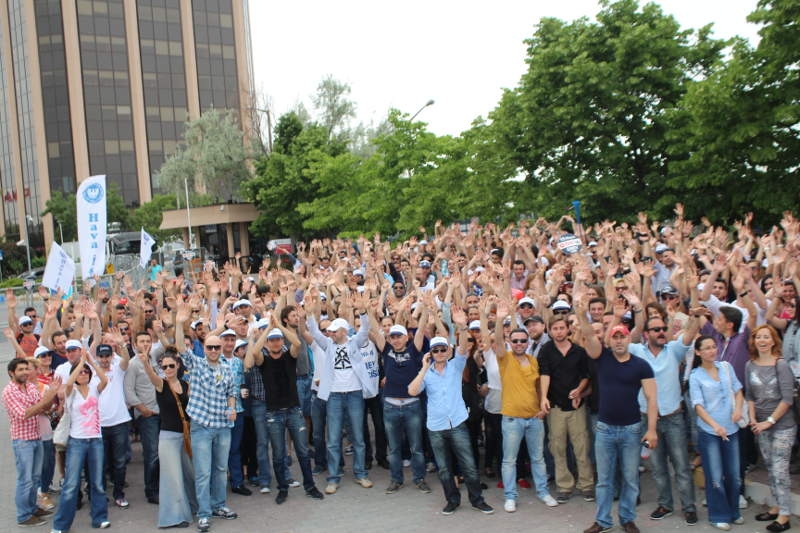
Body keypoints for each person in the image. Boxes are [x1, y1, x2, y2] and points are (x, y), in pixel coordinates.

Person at [408, 327, 494, 516]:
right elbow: (413, 391)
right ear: (430, 353)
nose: (439, 353)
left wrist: (462, 326)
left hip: (457, 425)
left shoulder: (456, 365)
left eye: (442, 349)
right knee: (445, 469)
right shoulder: (426, 373)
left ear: (448, 351)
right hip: (436, 428)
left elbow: (463, 346)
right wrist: (423, 368)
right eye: (435, 350)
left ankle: (477, 500)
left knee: (469, 466)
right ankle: (452, 501)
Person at [583, 324, 658, 533]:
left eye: (622, 337)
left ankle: (627, 518)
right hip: (605, 429)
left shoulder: (641, 366)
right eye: (614, 337)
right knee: (604, 481)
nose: (618, 341)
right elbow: (588, 335)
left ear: (629, 339)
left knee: (630, 479)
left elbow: (652, 399)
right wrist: (580, 313)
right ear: (609, 340)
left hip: (631, 430)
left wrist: (651, 429)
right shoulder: (602, 359)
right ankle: (602, 521)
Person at [305, 291, 377, 494]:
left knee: (358, 438)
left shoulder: (354, 342)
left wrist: (362, 311)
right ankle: (333, 477)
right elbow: (316, 334)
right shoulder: (327, 345)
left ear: (344, 331)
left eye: (335, 331)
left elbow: (365, 329)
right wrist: (310, 315)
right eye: (331, 331)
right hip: (334, 396)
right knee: (333, 438)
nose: (331, 333)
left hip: (354, 394)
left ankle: (361, 474)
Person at [175, 304, 239, 533]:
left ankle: (219, 505)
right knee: (203, 472)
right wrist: (178, 323)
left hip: (223, 426)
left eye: (216, 348)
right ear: (205, 347)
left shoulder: (228, 369)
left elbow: (232, 392)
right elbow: (181, 349)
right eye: (210, 347)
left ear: (222, 349)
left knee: (221, 469)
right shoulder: (198, 364)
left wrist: (232, 408)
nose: (213, 350)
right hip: (201, 426)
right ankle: (204, 514)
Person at [246, 321, 324, 504]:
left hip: (293, 411)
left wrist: (279, 328)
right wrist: (266, 331)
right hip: (274, 414)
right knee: (279, 454)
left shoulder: (290, 356)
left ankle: (310, 486)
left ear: (282, 341)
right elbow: (255, 353)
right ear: (267, 343)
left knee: (303, 452)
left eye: (278, 340)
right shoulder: (263, 361)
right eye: (272, 340)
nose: (275, 343)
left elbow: (296, 343)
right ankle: (283, 488)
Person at [493, 302, 558, 512]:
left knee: (538, 458)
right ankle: (510, 496)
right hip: (512, 419)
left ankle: (543, 491)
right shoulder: (504, 358)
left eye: (523, 340)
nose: (519, 343)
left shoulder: (532, 360)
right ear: (510, 342)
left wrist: (542, 405)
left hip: (534, 418)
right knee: (509, 460)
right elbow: (497, 343)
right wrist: (499, 319)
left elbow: (538, 386)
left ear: (527, 342)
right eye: (515, 341)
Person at [689, 335, 744, 531]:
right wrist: (714, 425)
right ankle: (718, 514)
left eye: (714, 347)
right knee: (715, 476)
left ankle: (734, 511)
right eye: (707, 348)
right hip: (710, 432)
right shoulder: (695, 376)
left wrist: (738, 410)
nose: (712, 351)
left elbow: (738, 390)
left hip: (732, 428)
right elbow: (698, 406)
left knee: (735, 474)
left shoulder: (726, 367)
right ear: (698, 352)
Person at [51, 349, 110, 532]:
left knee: (97, 482)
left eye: (86, 372)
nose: (83, 374)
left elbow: (104, 380)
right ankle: (61, 525)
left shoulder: (94, 388)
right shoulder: (70, 390)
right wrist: (80, 364)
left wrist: (90, 361)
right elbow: (69, 381)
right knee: (70, 484)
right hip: (77, 441)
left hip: (95, 440)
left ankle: (99, 518)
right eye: (80, 372)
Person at [140, 346, 198, 528]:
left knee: (190, 474)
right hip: (168, 438)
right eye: (164, 367)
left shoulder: (187, 385)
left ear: (178, 365)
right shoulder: (161, 384)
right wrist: (145, 362)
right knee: (172, 479)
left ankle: (194, 507)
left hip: (186, 436)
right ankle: (174, 517)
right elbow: (151, 375)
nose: (168, 370)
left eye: (171, 366)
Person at [746, 325, 795, 533]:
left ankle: (785, 515)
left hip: (782, 425)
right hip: (760, 425)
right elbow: (749, 396)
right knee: (770, 468)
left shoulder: (781, 365)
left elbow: (787, 399)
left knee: (780, 470)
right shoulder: (750, 365)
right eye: (759, 337)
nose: (762, 341)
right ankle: (776, 506)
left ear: (774, 341)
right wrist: (752, 418)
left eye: (766, 337)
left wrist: (770, 421)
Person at [3, 358, 61, 527]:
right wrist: (48, 396)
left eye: (26, 369)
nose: (25, 372)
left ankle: (32, 508)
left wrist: (51, 394)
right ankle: (23, 516)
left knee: (35, 478)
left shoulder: (30, 387)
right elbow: (25, 414)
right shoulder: (9, 391)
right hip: (22, 441)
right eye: (20, 369)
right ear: (11, 373)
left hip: (36, 436)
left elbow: (43, 408)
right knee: (25, 479)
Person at [96, 341, 132, 509]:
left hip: (119, 422)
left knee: (119, 461)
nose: (104, 359)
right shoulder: (91, 373)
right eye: (101, 356)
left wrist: (122, 345)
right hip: (98, 425)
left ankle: (119, 494)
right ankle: (100, 495)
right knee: (101, 463)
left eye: (107, 356)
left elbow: (126, 360)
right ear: (97, 357)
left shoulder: (117, 369)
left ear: (111, 356)